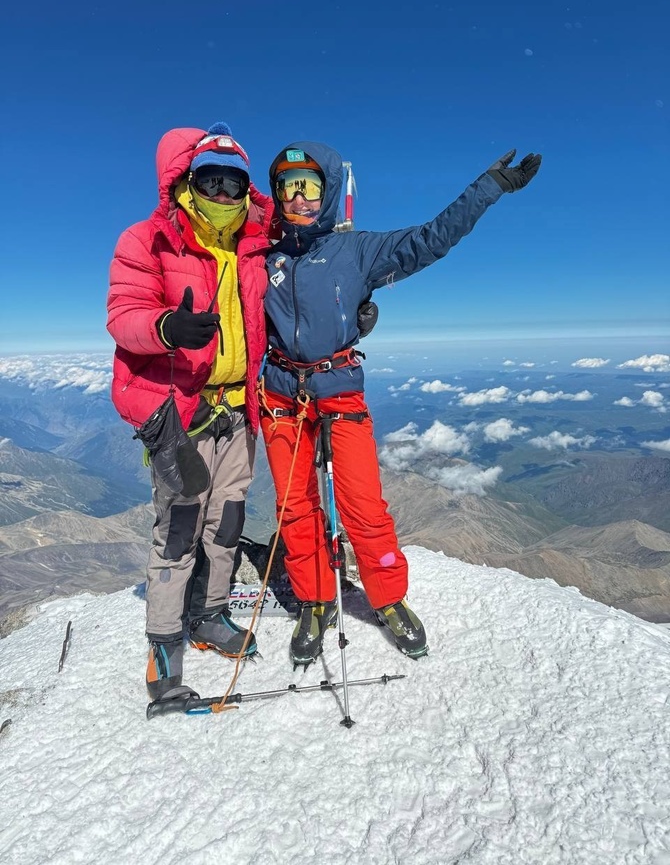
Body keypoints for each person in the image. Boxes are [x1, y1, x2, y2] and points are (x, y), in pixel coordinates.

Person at [260, 142, 541, 665]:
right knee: (294, 508)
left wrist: (488, 189)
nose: (298, 197)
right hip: (281, 397)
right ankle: (317, 599)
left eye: (310, 186)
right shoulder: (262, 254)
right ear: (275, 195)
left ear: (329, 192)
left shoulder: (358, 251)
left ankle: (387, 598)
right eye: (287, 186)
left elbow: (430, 241)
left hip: (338, 390)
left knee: (363, 507)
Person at [107, 122, 275, 700]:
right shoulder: (147, 240)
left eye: (235, 183)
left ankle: (209, 615)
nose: (224, 195)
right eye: (212, 180)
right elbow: (123, 314)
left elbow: (314, 247)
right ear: (188, 181)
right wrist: (165, 328)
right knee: (178, 529)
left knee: (226, 521)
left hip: (237, 410)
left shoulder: (253, 244)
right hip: (180, 411)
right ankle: (163, 641)